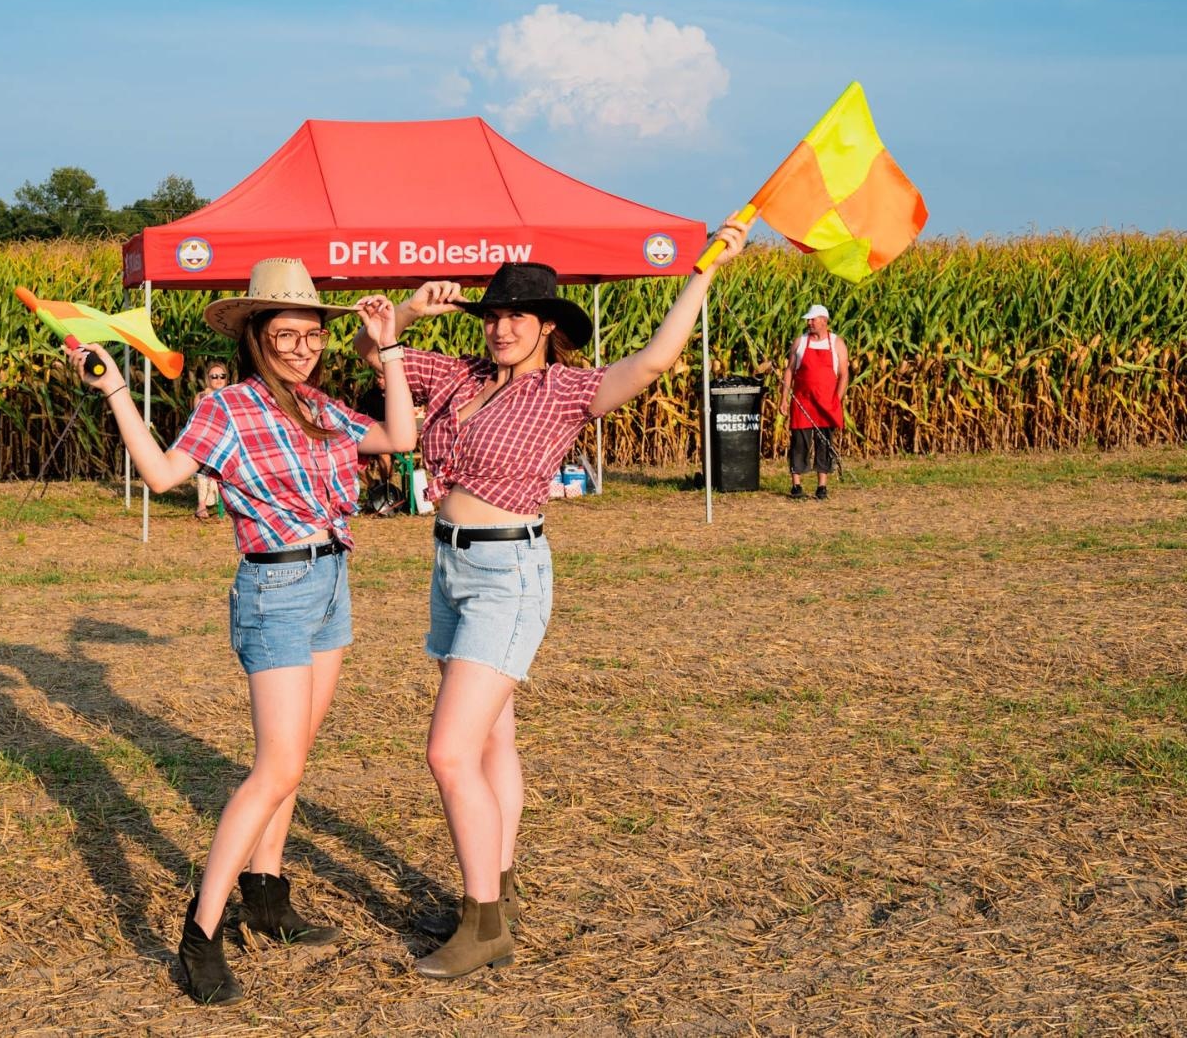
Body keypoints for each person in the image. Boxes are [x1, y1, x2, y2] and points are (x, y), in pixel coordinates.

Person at [355, 216, 753, 979]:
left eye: (518, 318)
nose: (503, 328)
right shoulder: (458, 376)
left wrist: (706, 270)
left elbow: (656, 360)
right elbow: (381, 356)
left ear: (547, 328)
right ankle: (493, 889)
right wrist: (402, 314)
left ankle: (484, 928)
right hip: (450, 568)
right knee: (493, 741)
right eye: (495, 314)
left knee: (447, 751)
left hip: (510, 575)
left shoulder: (565, 391)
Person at [67, 257, 414, 1005]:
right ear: (257, 335)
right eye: (286, 334)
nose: (302, 347)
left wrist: (388, 348)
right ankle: (201, 933)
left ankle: (267, 894)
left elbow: (401, 436)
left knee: (296, 759)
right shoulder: (229, 410)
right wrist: (117, 389)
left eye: (313, 334)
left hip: (330, 583)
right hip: (276, 589)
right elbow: (162, 475)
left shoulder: (320, 406)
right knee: (277, 768)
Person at [777, 303, 849, 500]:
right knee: (799, 442)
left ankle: (822, 486)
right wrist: (784, 398)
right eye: (808, 320)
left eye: (812, 319)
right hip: (802, 401)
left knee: (824, 442)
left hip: (826, 403)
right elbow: (790, 371)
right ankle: (796, 485)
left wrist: (837, 399)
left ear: (824, 321)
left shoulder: (836, 343)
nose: (809, 322)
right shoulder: (800, 342)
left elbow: (844, 374)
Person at [191, 359, 230, 519]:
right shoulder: (201, 396)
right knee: (203, 472)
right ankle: (201, 505)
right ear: (208, 378)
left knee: (220, 475)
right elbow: (198, 419)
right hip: (206, 438)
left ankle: (222, 503)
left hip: (225, 439)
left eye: (222, 376)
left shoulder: (230, 395)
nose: (218, 379)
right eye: (214, 376)